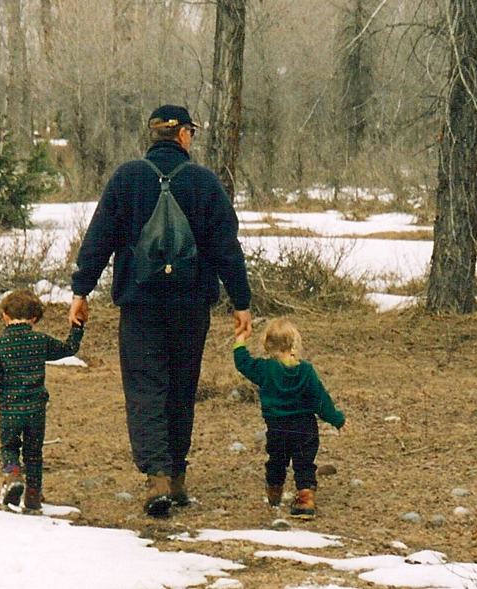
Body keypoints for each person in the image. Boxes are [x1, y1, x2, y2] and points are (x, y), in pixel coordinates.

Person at [69, 104, 252, 517]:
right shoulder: (205, 182)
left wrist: (81, 291)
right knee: (182, 387)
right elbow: (227, 248)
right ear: (185, 135)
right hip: (191, 305)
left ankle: (157, 479)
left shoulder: (127, 177)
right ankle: (178, 475)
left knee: (145, 387)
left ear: (154, 135)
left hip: (141, 304)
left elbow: (98, 237)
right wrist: (241, 302)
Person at [233, 318, 349, 519]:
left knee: (277, 460)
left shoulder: (265, 369)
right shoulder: (306, 371)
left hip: (277, 427)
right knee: (304, 463)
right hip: (305, 428)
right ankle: (306, 499)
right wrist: (337, 419)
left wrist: (240, 339)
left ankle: (275, 490)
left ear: (268, 344)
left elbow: (243, 363)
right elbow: (320, 400)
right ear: (294, 343)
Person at [0, 289, 84, 510]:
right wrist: (78, 325)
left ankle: (14, 476)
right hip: (36, 409)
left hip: (10, 409)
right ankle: (33, 496)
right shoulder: (40, 341)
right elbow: (69, 348)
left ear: (5, 316)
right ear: (35, 318)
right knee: (34, 453)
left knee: (9, 447)